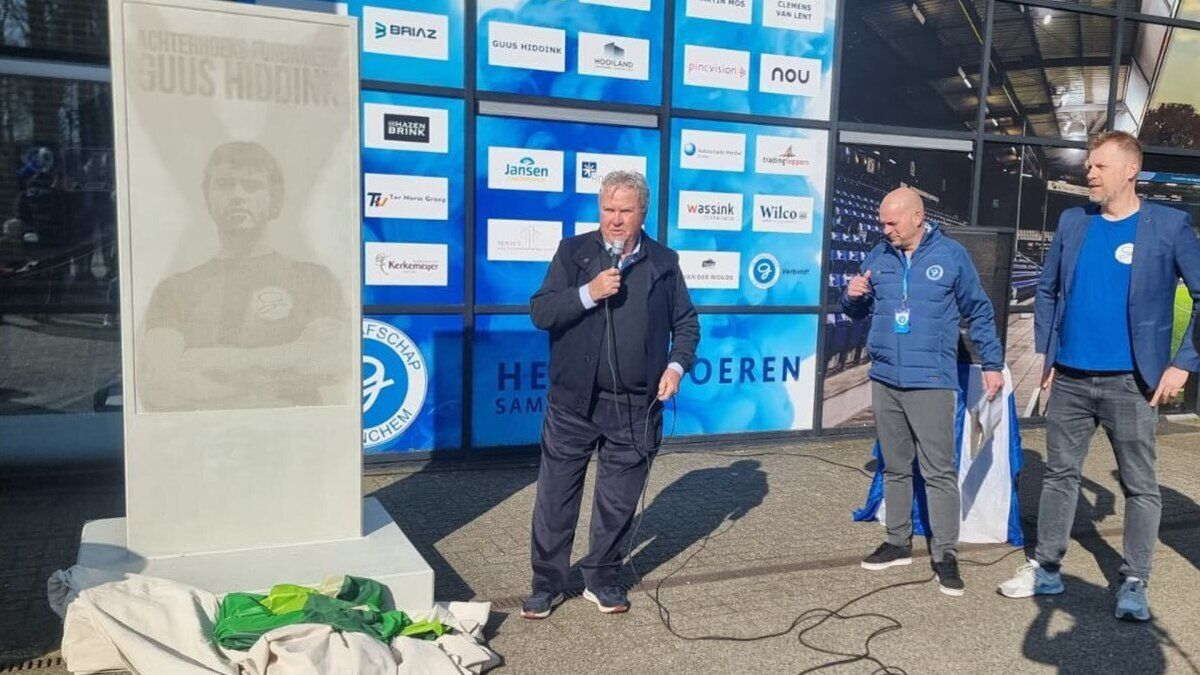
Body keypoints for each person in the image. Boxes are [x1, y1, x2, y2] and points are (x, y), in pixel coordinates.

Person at [998, 131, 1200, 621]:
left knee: (1140, 485)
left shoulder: (1170, 226)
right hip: (1068, 377)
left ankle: (1134, 581)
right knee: (1060, 476)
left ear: (1131, 170)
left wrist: (1182, 362)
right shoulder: (1073, 222)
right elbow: (1046, 291)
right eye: (1089, 165)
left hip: (1132, 383)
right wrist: (1047, 356)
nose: (1089, 173)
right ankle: (1046, 568)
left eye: (1100, 166)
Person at [522, 170, 700, 619]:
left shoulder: (664, 261)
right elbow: (542, 311)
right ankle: (547, 583)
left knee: (619, 500)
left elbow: (687, 325)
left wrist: (676, 367)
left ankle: (601, 578)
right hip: (573, 404)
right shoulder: (574, 252)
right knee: (556, 496)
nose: (614, 220)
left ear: (643, 212)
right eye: (607, 210)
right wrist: (588, 292)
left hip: (635, 408)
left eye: (625, 211)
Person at [842, 187, 1005, 596]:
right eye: (882, 222)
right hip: (885, 379)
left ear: (917, 216)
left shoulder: (951, 256)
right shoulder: (879, 255)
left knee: (938, 471)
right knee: (895, 466)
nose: (885, 229)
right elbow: (856, 310)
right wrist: (852, 295)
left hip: (932, 381)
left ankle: (944, 554)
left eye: (891, 222)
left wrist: (991, 363)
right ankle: (897, 542)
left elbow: (979, 310)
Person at [139, 141, 348, 412]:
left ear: (275, 199)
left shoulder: (314, 279)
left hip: (297, 439)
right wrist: (288, 360)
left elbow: (329, 363)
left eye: (252, 185)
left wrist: (205, 360)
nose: (238, 194)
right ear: (208, 196)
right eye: (225, 184)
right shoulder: (174, 289)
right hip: (203, 440)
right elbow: (159, 382)